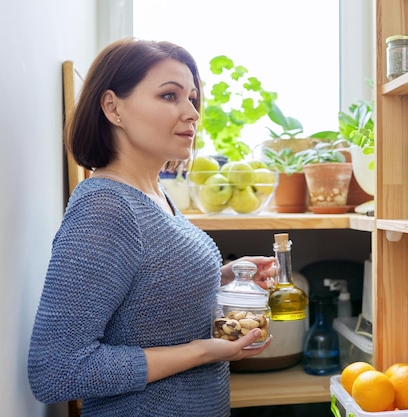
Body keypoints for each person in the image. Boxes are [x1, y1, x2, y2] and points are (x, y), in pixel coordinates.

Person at [28, 38, 275, 417]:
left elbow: (143, 294)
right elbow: (56, 370)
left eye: (192, 98)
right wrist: (203, 351)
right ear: (113, 107)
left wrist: (225, 276)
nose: (192, 112)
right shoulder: (105, 207)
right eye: (169, 96)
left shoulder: (156, 194)